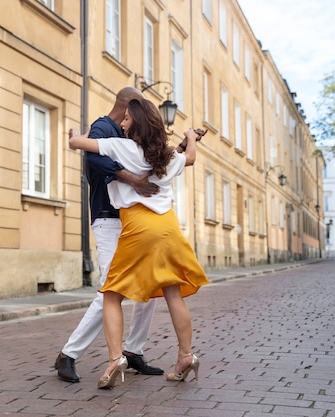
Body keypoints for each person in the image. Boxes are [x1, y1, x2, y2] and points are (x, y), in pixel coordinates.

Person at [69, 98, 210, 389]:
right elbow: (191, 158)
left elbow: (79, 145)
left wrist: (76, 135)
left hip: (138, 227)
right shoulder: (168, 157)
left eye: (127, 120)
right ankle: (186, 355)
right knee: (173, 293)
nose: (122, 123)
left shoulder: (123, 147)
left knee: (112, 293)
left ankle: (115, 359)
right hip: (169, 228)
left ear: (137, 124)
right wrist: (190, 137)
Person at [54, 87, 164, 383]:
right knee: (110, 289)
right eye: (136, 111)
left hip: (135, 221)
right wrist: (128, 177)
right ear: (128, 107)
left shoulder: (131, 134)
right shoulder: (104, 127)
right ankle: (68, 354)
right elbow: (93, 160)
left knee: (150, 287)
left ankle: (134, 350)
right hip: (108, 219)